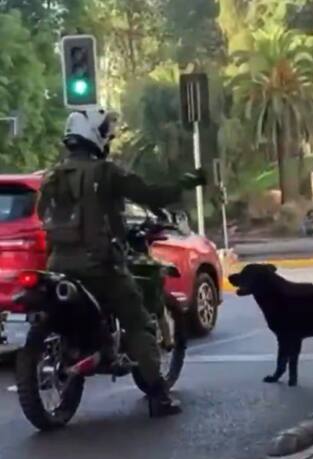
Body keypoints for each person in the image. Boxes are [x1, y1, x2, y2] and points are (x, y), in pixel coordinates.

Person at [38, 107, 206, 418]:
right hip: (100, 266)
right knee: (138, 321)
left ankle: (91, 348)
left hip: (58, 264)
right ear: (93, 136)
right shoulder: (106, 172)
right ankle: (159, 396)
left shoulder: (52, 176)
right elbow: (149, 194)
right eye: (105, 132)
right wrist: (186, 182)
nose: (109, 137)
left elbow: (43, 216)